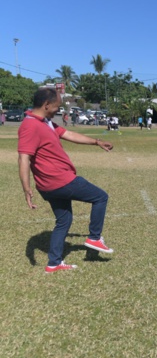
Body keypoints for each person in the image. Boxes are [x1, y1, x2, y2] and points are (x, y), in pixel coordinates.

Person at [18, 87, 114, 273]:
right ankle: (94, 238)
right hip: (59, 180)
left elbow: (68, 134)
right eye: (57, 106)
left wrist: (96, 142)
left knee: (63, 220)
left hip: (50, 184)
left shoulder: (45, 121)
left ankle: (53, 263)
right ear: (46, 105)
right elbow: (23, 158)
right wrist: (26, 188)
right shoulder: (30, 125)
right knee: (100, 197)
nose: (59, 110)